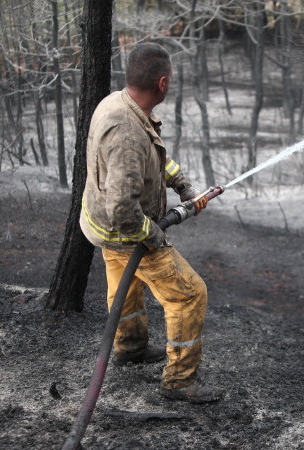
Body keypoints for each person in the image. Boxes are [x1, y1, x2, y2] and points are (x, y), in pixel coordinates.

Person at [79, 43, 222, 403]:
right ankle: (179, 382)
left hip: (101, 228)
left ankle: (129, 347)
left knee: (124, 289)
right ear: (162, 82)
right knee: (190, 294)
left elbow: (153, 156)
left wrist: (183, 186)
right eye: (170, 79)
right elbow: (124, 212)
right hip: (125, 231)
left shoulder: (118, 103)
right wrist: (154, 236)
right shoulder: (126, 132)